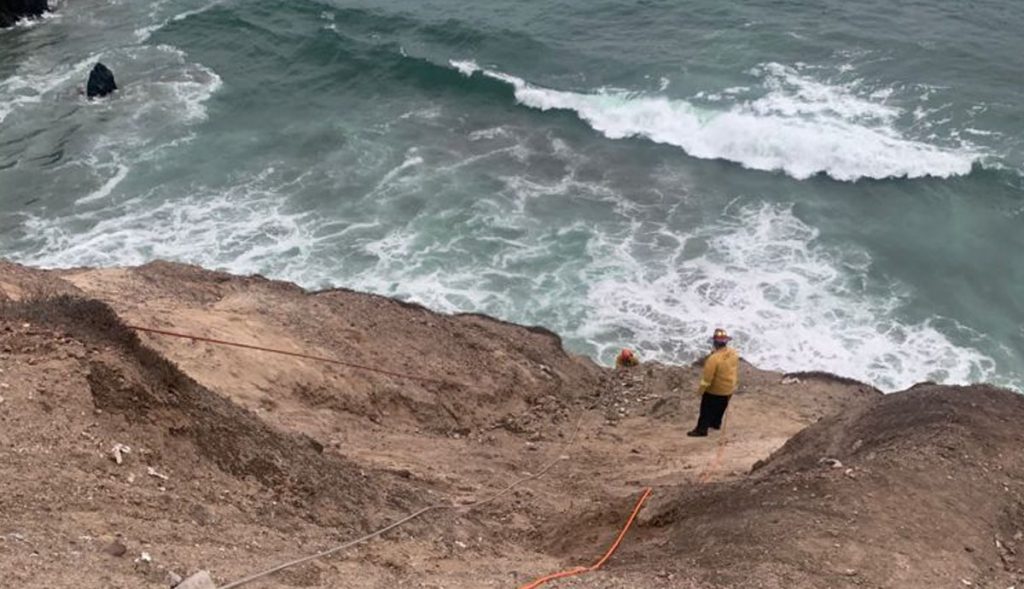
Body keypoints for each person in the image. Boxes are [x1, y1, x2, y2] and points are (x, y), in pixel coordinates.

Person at [687, 328, 739, 437]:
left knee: (706, 409)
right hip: (729, 388)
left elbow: (707, 379)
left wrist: (701, 391)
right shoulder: (733, 353)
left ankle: (701, 430)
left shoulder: (713, 359)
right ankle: (716, 424)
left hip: (715, 390)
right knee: (720, 407)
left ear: (715, 342)